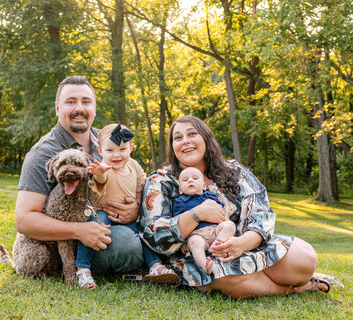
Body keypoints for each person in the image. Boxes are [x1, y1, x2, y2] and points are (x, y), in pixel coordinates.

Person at [139, 115, 342, 298]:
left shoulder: (235, 172)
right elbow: (153, 235)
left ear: (206, 139)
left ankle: (270, 275)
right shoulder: (160, 181)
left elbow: (262, 214)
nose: (185, 141)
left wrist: (242, 243)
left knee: (304, 258)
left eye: (192, 134)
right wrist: (196, 214)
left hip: (243, 245)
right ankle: (298, 288)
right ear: (172, 146)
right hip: (197, 255)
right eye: (178, 137)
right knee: (231, 278)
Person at [15, 76, 144, 283]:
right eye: (71, 101)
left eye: (86, 101)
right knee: (126, 245)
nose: (79, 108)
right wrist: (79, 231)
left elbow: (131, 177)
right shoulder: (41, 154)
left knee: (137, 241)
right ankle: (82, 268)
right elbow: (24, 220)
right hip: (61, 242)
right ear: (58, 108)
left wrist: (135, 208)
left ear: (94, 107)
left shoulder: (108, 141)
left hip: (105, 223)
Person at [76, 123, 178, 288]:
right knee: (93, 229)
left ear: (131, 147)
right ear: (100, 150)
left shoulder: (134, 166)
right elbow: (101, 180)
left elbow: (139, 190)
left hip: (128, 216)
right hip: (103, 212)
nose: (116, 155)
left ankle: (155, 266)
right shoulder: (103, 168)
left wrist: (137, 206)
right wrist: (100, 173)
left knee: (143, 232)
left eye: (122, 149)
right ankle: (83, 268)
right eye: (110, 151)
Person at [173, 167, 235, 274]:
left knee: (229, 225)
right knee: (195, 243)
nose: (190, 181)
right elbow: (178, 222)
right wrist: (185, 242)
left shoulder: (211, 196)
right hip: (197, 234)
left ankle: (217, 248)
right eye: (185, 180)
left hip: (215, 230)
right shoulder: (179, 202)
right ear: (180, 189)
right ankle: (205, 264)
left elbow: (221, 212)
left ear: (204, 186)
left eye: (195, 178)